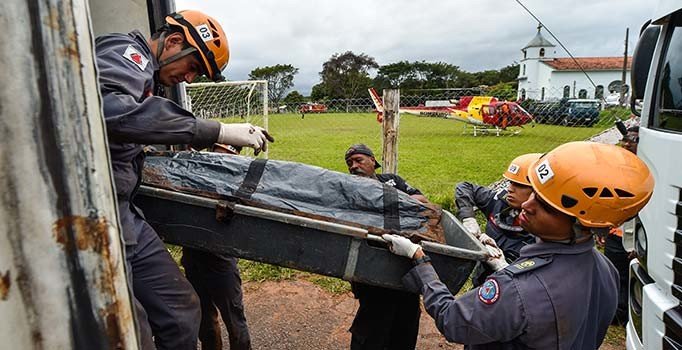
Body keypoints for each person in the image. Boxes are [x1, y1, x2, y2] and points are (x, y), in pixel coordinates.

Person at [95, 10, 273, 349]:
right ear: (173, 42)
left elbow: (132, 129)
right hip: (97, 216)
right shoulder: (126, 53)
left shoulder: (146, 77)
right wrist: (215, 129)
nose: (190, 79)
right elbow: (112, 111)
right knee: (130, 332)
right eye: (193, 67)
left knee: (181, 312)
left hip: (125, 216)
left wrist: (198, 138)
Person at [382, 141, 654, 348]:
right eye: (534, 193)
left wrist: (420, 259)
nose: (527, 204)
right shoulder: (605, 268)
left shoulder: (518, 288)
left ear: (581, 222)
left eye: (546, 206)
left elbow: (453, 320)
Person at [344, 144, 427, 350]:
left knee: (405, 324)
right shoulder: (347, 185)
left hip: (404, 263)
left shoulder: (391, 181)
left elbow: (422, 201)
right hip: (370, 267)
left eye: (358, 160)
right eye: (349, 163)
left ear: (373, 161)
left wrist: (385, 198)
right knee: (372, 326)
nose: (353, 166)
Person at [181, 144, 251, 350]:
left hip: (221, 261)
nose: (222, 157)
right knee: (204, 318)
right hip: (193, 256)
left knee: (234, 318)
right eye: (218, 151)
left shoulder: (238, 181)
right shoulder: (197, 171)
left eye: (229, 153)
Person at [455, 153, 541, 286]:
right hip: (483, 281)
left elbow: (538, 287)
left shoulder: (547, 232)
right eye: (511, 182)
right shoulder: (499, 202)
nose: (510, 189)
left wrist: (502, 267)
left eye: (519, 185)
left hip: (513, 293)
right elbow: (465, 187)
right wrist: (468, 218)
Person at [602, 125, 640, 326]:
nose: (626, 143)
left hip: (635, 238)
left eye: (632, 140)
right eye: (624, 139)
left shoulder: (650, 173)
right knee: (614, 275)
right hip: (615, 234)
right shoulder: (618, 169)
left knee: (631, 278)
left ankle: (629, 315)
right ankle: (616, 313)